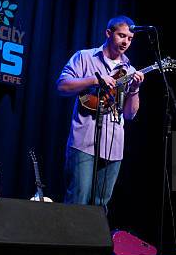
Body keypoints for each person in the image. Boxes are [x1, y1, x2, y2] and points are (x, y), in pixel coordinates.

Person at [57, 15, 144, 207]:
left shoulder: (130, 70)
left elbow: (129, 114)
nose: (125, 42)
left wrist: (135, 89)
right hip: (84, 143)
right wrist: (94, 80)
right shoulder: (85, 57)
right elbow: (62, 86)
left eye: (130, 39)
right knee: (77, 202)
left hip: (114, 147)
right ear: (108, 33)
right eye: (121, 36)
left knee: (100, 206)